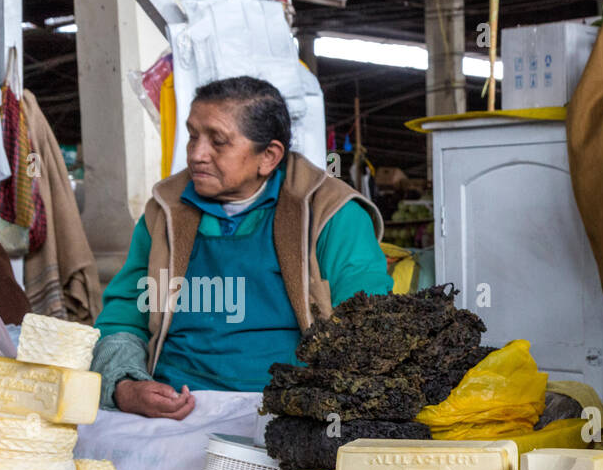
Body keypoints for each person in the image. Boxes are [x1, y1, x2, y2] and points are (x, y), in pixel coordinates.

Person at [93, 76, 392, 420]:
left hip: (290, 415)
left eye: (217, 142)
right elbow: (121, 321)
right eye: (192, 136)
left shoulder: (332, 214)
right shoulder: (165, 213)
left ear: (268, 156)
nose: (196, 154)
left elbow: (370, 331)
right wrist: (127, 385)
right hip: (169, 415)